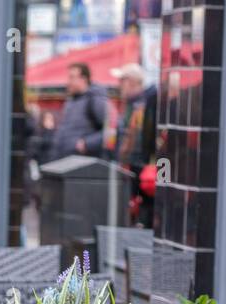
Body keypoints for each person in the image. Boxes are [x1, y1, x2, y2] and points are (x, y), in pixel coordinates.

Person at [112, 63, 157, 226]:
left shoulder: (144, 104)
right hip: (141, 167)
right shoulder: (134, 104)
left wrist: (129, 162)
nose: (119, 85)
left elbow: (136, 140)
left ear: (131, 82)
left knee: (148, 205)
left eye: (121, 81)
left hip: (144, 168)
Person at [52, 62, 106, 160]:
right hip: (65, 161)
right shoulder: (70, 101)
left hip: (83, 165)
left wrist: (86, 143)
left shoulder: (95, 100)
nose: (68, 82)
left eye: (72, 77)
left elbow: (112, 131)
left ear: (83, 79)